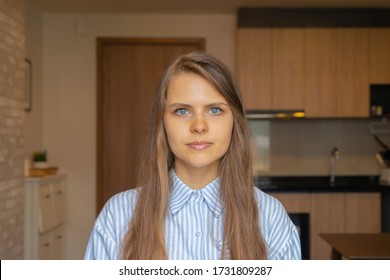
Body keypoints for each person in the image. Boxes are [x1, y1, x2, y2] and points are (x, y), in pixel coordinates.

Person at [85, 51, 301, 260]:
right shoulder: (117, 216)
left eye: (215, 110)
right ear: (163, 123)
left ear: (234, 121)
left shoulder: (271, 217)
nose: (199, 126)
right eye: (182, 111)